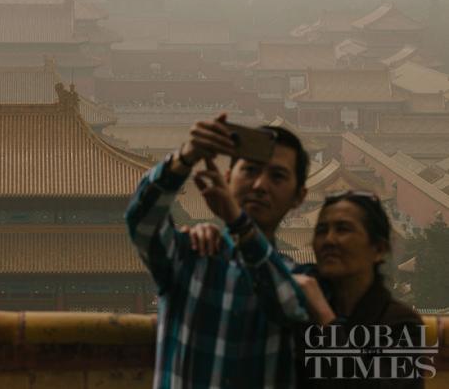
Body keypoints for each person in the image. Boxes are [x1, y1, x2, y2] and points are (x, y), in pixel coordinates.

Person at [126, 113, 312, 388]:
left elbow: (290, 309)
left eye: (277, 176)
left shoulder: (301, 279)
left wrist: (239, 224)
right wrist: (185, 158)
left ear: (299, 196)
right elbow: (142, 220)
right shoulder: (189, 256)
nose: (260, 185)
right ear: (227, 177)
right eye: (250, 170)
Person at [294, 191, 425, 388]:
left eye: (343, 229)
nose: (329, 240)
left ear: (378, 249)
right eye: (321, 230)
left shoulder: (401, 324)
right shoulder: (298, 312)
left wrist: (326, 321)